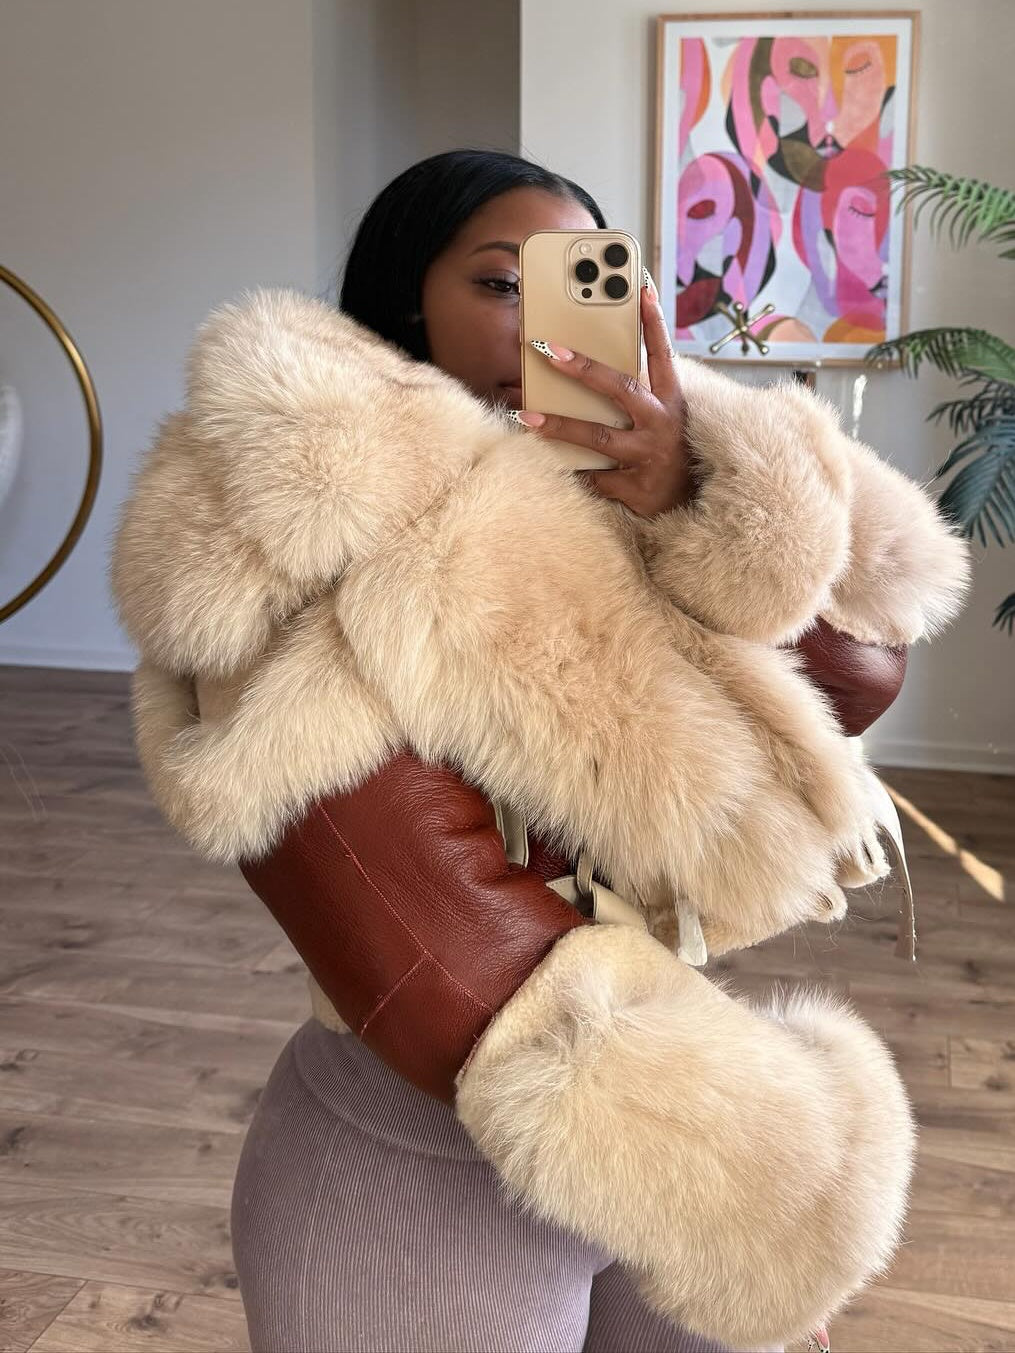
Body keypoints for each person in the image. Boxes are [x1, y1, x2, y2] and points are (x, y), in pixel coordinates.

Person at [111, 149, 970, 1353]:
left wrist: (691, 499)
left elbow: (844, 682)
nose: (539, 323)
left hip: (659, 1061)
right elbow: (396, 902)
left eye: (580, 283)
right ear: (409, 296)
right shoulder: (298, 500)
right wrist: (747, 1172)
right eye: (499, 283)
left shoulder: (620, 490)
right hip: (422, 1148)